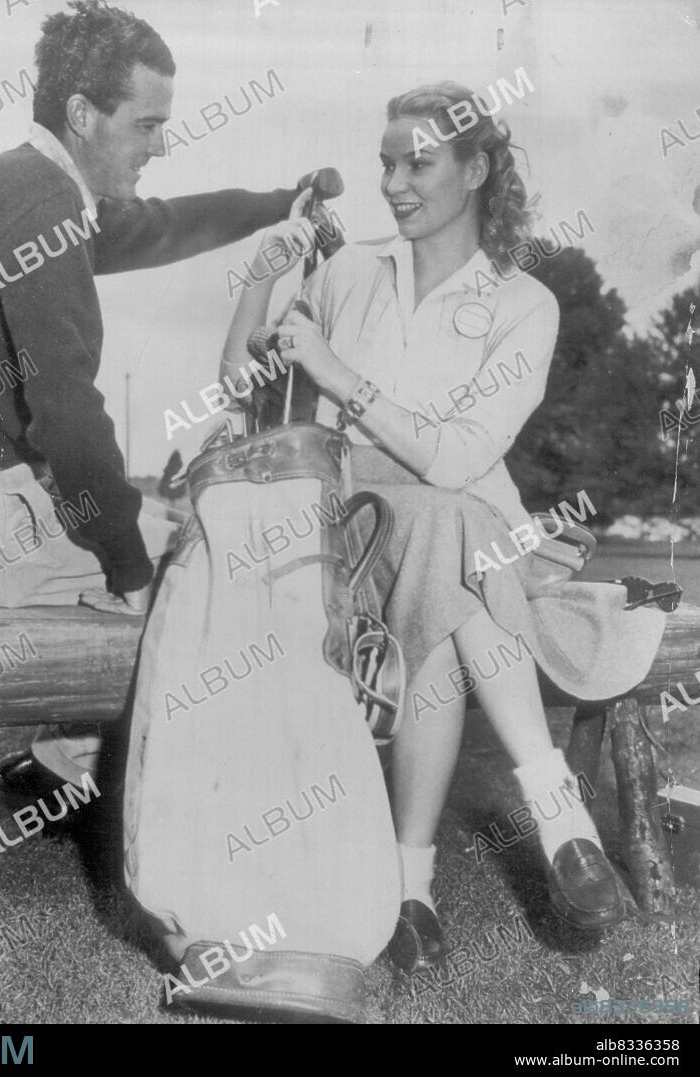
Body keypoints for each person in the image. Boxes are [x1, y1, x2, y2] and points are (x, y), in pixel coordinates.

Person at [220, 81, 632, 972]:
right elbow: (244, 391)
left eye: (420, 162)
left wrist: (340, 377)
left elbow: (453, 459)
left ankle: (410, 895)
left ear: (477, 168)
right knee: (449, 542)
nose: (395, 182)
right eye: (386, 163)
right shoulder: (347, 272)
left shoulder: (526, 305)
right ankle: (558, 811)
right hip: (349, 541)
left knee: (444, 565)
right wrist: (260, 279)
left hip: (457, 542)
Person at [0, 0, 328, 807]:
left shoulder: (32, 184)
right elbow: (69, 412)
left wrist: (273, 203)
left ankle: (57, 765)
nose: (161, 144)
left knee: (180, 540)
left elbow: (158, 227)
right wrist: (125, 563)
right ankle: (168, 813)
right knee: (201, 572)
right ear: (82, 114)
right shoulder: (37, 201)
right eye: (147, 125)